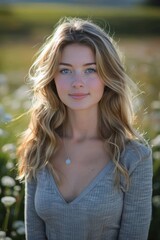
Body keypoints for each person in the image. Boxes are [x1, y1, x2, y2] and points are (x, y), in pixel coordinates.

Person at [17, 17, 153, 240]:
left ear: (108, 77)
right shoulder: (39, 147)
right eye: (65, 70)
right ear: (52, 78)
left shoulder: (134, 157)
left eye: (90, 70)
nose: (77, 82)